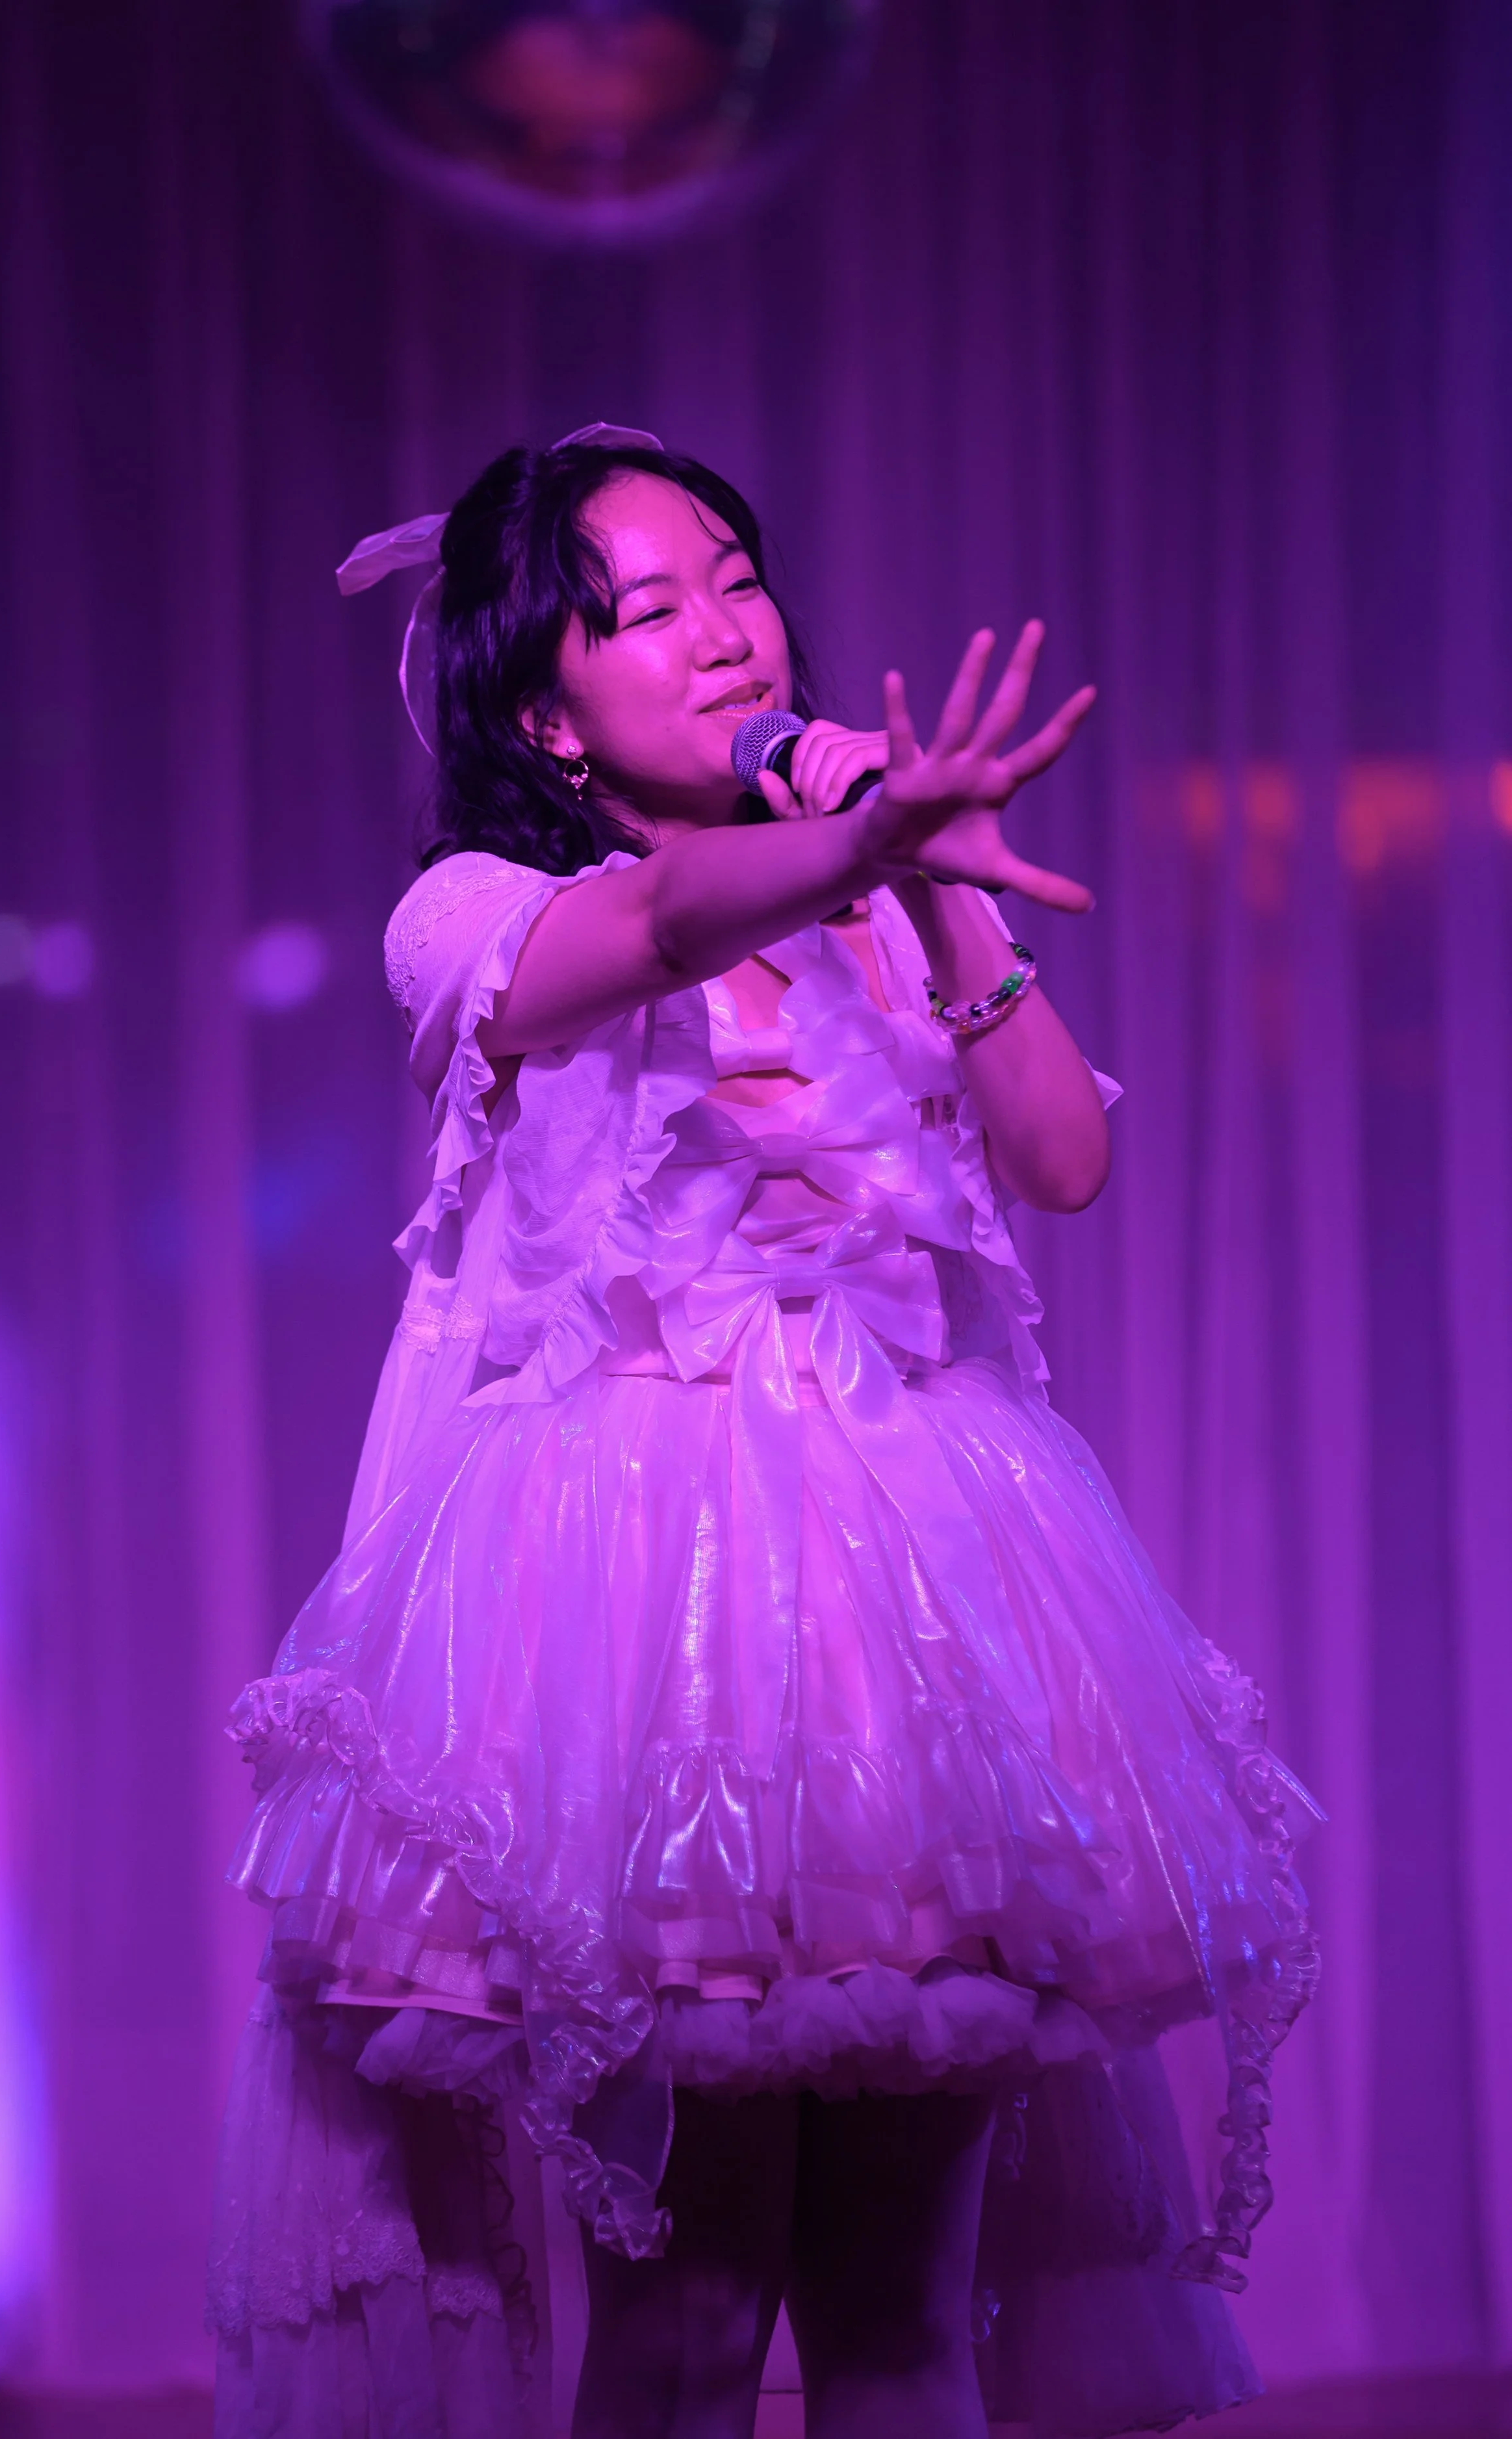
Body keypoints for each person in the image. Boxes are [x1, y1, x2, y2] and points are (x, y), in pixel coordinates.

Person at [207, 426, 1318, 2439]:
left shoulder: (877, 893)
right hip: (636, 1640)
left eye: (736, 576)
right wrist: (852, 841)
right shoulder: (467, 917)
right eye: (650, 607)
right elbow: (657, 930)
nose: (726, 631)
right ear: (545, 713)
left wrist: (941, 894)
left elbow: (1059, 1155)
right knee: (690, 2320)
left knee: (901, 2313)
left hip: (917, 1637)